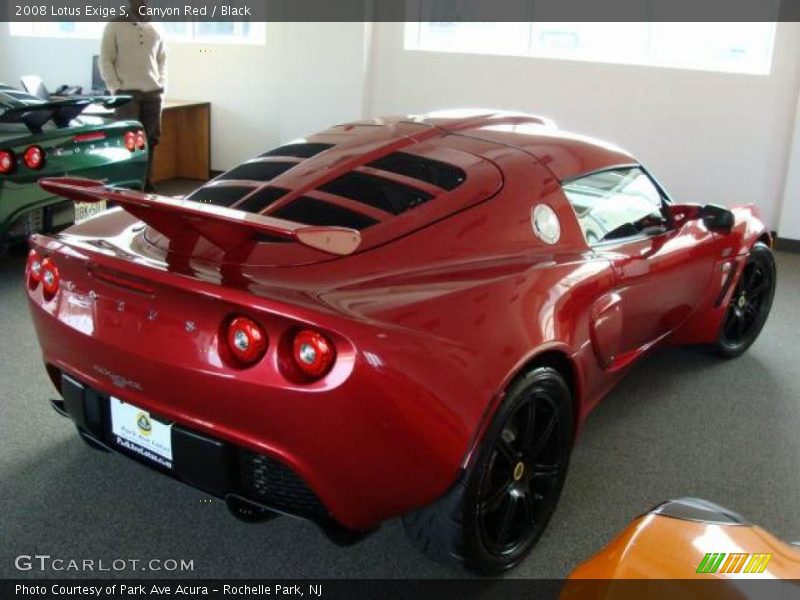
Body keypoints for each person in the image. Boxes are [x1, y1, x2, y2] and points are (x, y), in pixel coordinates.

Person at [99, 0, 166, 192]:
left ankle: (147, 187)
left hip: (153, 95)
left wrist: (162, 87)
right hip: (127, 95)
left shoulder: (156, 26)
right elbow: (105, 60)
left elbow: (162, 61)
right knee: (129, 143)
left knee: (151, 142)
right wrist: (116, 89)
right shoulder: (114, 25)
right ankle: (129, 188)